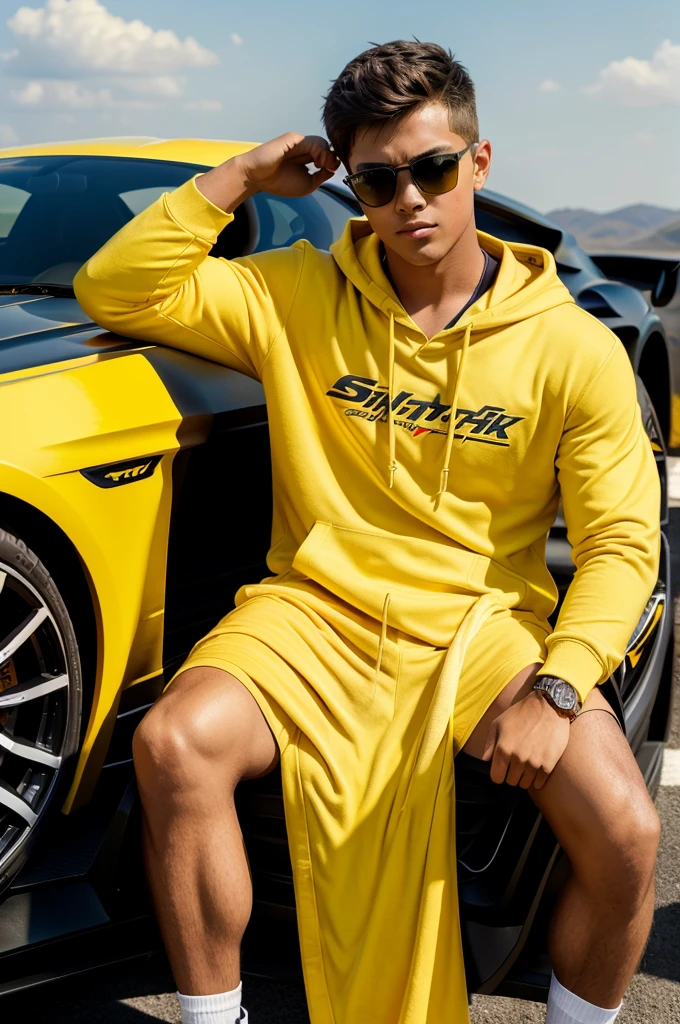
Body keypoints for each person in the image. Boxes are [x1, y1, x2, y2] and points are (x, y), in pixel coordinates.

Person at [73, 40, 662, 1024]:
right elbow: (117, 287)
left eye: (431, 168)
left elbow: (618, 546)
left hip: (476, 627)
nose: (409, 201)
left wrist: (558, 685)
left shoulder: (568, 346)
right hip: (309, 611)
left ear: (477, 163)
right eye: (377, 179)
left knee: (625, 825)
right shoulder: (294, 294)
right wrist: (241, 176)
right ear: (351, 185)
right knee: (175, 743)